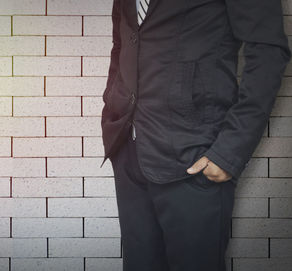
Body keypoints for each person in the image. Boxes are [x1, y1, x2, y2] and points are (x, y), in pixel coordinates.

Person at [100, 0, 291, 270]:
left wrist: (230, 152)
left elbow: (268, 51)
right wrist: (113, 105)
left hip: (195, 157)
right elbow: (123, 41)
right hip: (129, 152)